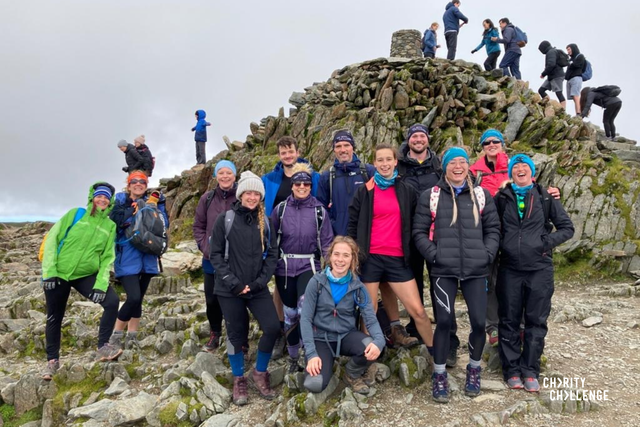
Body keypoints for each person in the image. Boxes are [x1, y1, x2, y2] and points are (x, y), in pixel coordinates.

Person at [413, 147, 500, 403]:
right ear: (445, 167)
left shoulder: (482, 195)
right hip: (443, 270)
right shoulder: (431, 195)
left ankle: (474, 369)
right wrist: (435, 255)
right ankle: (439, 374)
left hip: (476, 270)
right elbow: (418, 232)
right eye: (453, 162)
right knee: (444, 322)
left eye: (463, 162)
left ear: (468, 166)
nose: (458, 166)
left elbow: (494, 229)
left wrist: (486, 254)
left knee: (478, 323)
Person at [494, 154, 574, 392]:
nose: (520, 169)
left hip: (539, 268)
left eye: (524, 166)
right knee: (508, 320)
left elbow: (567, 228)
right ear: (510, 174)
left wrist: (543, 243)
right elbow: (492, 228)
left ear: (532, 173)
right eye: (515, 167)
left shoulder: (545, 197)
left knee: (536, 321)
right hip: (509, 268)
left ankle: (530, 370)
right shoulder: (502, 198)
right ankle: (511, 370)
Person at [348, 143, 434, 353]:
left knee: (418, 311)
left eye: (388, 159)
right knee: (370, 312)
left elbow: (417, 222)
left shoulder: (407, 191)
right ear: (374, 163)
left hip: (397, 258)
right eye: (380, 160)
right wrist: (355, 255)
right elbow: (352, 225)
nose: (384, 164)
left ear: (396, 161)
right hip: (371, 259)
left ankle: (436, 358)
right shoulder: (365, 191)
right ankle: (365, 359)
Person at [209, 171, 280, 406]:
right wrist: (234, 282)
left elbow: (272, 254)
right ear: (240, 194)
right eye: (248, 192)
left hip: (257, 287)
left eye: (256, 193)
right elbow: (215, 255)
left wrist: (261, 281)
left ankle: (259, 372)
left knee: (271, 327)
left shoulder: (266, 222)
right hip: (229, 289)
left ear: (261, 196)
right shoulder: (225, 219)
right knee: (236, 334)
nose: (252, 197)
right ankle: (238, 378)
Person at [40, 182, 122, 380]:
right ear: (92, 198)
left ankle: (103, 346)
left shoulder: (110, 226)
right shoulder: (76, 214)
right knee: (54, 317)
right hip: (59, 272)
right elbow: (52, 239)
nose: (102, 199)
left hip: (85, 274)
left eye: (106, 197)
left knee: (111, 302)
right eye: (99, 196)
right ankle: (52, 362)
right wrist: (49, 272)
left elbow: (107, 258)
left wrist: (101, 285)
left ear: (110, 201)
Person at [301, 236, 385, 395]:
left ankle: (352, 372)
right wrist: (311, 354)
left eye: (346, 255)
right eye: (337, 254)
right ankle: (324, 361)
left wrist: (379, 342)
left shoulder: (358, 287)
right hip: (320, 338)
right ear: (330, 256)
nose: (340, 259)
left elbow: (371, 320)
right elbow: (305, 319)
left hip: (346, 336)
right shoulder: (317, 282)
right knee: (314, 385)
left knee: (374, 348)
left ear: (353, 259)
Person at [396, 124, 454, 356]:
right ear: (408, 140)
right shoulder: (398, 167)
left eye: (422, 136)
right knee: (413, 283)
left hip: (437, 235)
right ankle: (416, 328)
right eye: (414, 136)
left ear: (428, 140)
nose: (418, 140)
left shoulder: (440, 166)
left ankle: (447, 334)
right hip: (407, 235)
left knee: (440, 283)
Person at [271, 163, 334, 373]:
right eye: (297, 183)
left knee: (305, 308)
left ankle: (310, 354)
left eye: (305, 183)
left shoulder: (319, 211)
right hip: (284, 268)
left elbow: (327, 242)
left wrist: (333, 268)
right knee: (289, 314)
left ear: (310, 186)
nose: (301, 187)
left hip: (309, 265)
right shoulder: (279, 210)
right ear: (292, 185)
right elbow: (271, 241)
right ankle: (293, 355)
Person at [262, 136, 321, 359]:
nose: (287, 156)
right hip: (279, 243)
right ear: (279, 155)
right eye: (283, 152)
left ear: (297, 152)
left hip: (305, 246)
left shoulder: (311, 176)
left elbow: (319, 204)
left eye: (291, 151)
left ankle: (305, 337)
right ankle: (282, 333)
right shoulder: (270, 179)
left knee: (303, 295)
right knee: (280, 292)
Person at [109, 171, 169, 351]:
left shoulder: (153, 202)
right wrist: (133, 209)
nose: (138, 184)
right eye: (134, 181)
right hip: (128, 257)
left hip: (149, 257)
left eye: (142, 182)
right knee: (133, 297)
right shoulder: (120, 200)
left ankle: (132, 336)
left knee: (139, 299)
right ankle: (116, 335)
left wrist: (158, 204)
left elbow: (163, 224)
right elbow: (115, 220)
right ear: (128, 185)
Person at [193, 160, 238, 352]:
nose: (225, 176)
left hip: (236, 259)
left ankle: (237, 335)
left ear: (235, 176)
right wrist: (206, 249)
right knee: (212, 299)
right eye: (221, 173)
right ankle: (215, 333)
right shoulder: (207, 198)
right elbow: (198, 227)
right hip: (211, 259)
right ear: (215, 176)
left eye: (229, 173)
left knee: (235, 297)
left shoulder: (242, 196)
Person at [317, 130, 376, 237]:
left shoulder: (368, 171)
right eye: (338, 146)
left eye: (346, 145)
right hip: (338, 237)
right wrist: (332, 226)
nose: (343, 150)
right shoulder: (327, 177)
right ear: (334, 150)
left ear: (353, 147)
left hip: (365, 237)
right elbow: (321, 209)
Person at [538, 41, 566, 108]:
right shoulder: (552, 51)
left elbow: (551, 64)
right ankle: (548, 105)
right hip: (551, 76)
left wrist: (543, 74)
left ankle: (563, 110)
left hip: (557, 76)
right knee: (541, 90)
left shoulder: (551, 52)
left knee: (559, 93)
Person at [565, 44, 586, 117]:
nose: (568, 51)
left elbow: (577, 65)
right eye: (567, 49)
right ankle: (579, 111)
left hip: (576, 78)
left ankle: (579, 113)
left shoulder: (580, 56)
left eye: (569, 49)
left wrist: (570, 64)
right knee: (573, 97)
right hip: (570, 79)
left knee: (576, 95)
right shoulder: (570, 59)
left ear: (573, 49)